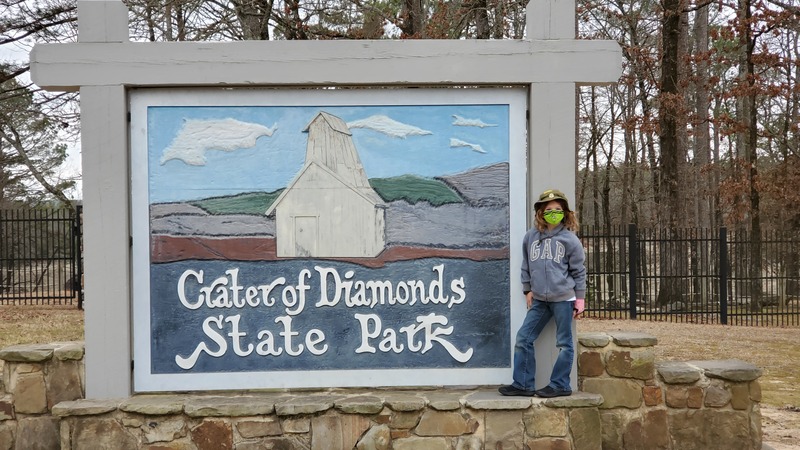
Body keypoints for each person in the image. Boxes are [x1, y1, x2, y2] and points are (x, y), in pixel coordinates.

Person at [499, 188, 586, 398]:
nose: (553, 213)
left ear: (565, 213)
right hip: (539, 300)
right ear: (541, 212)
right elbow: (526, 266)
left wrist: (580, 299)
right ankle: (523, 384)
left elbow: (579, 270)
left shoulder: (570, 240)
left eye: (558, 209)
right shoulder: (531, 237)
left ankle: (560, 384)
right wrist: (527, 289)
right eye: (549, 209)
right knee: (523, 338)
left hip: (563, 299)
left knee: (564, 343)